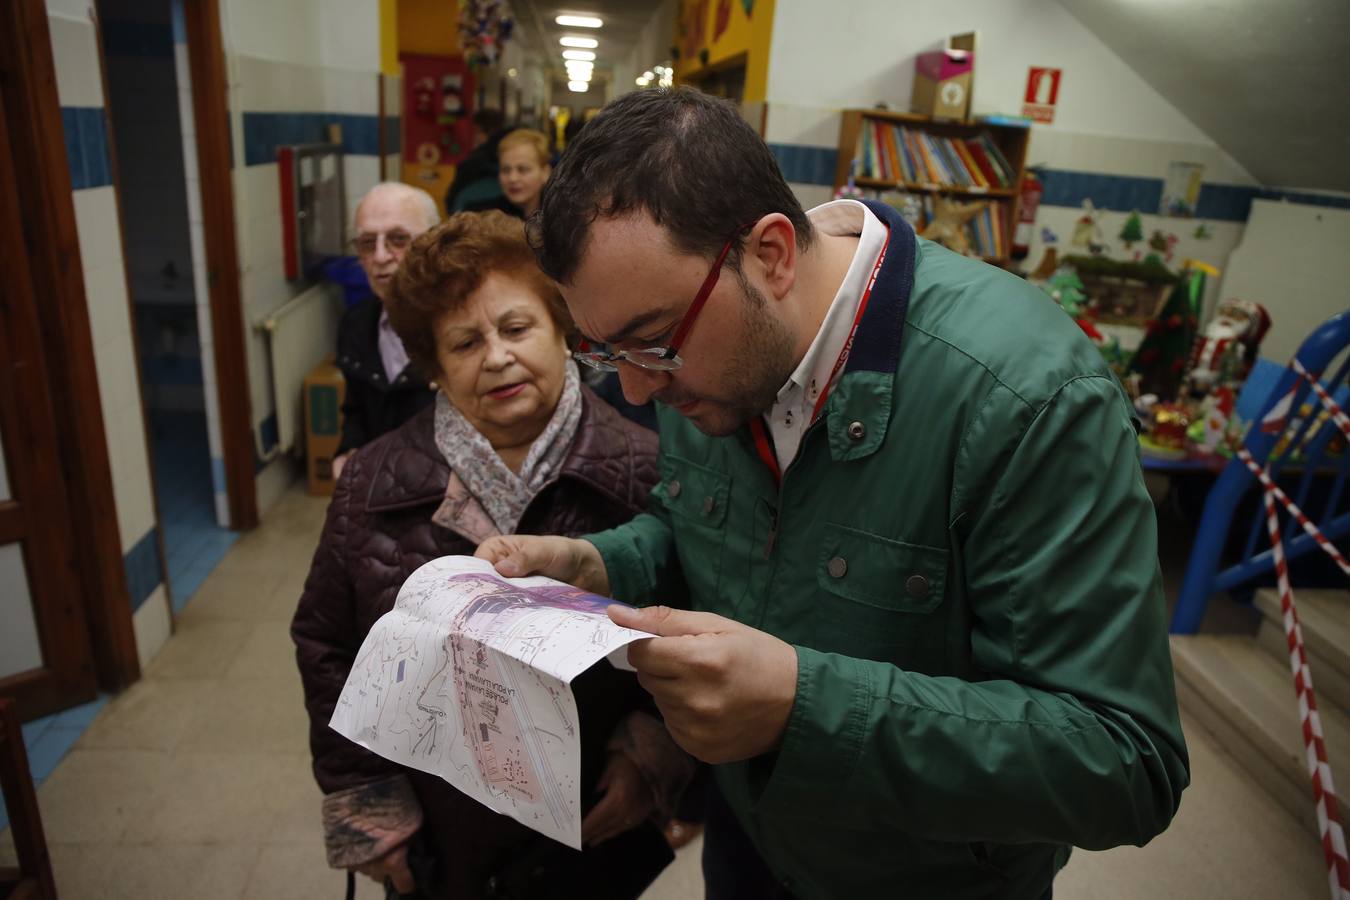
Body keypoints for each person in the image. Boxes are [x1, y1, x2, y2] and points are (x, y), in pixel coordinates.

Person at [476, 88, 1190, 900]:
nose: (637, 391)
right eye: (606, 353)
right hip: (749, 843)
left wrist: (803, 708)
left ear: (772, 254)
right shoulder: (705, 353)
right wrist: (605, 563)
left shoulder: (1026, 396)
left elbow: (1123, 761)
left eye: (653, 345)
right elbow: (714, 533)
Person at [293, 210, 693, 898]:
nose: (497, 357)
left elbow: (690, 622)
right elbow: (327, 641)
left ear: (563, 330)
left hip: (590, 827)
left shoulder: (648, 469)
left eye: (516, 328)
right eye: (465, 342)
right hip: (440, 842)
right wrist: (370, 807)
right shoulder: (371, 483)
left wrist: (649, 756)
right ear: (436, 369)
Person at [333, 182, 440, 479]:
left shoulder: (465, 329)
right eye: (367, 243)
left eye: (398, 239)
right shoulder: (356, 325)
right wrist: (348, 449)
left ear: (434, 243)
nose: (380, 256)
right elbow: (356, 410)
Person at [444, 107, 511, 214]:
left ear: (480, 131)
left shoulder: (473, 162)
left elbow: (452, 201)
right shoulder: (511, 155)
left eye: (476, 132)